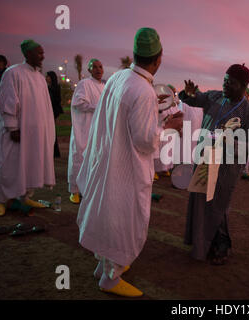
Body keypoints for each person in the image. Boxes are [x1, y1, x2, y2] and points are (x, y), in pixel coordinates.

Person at [76, 28, 183, 297]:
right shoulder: (143, 91)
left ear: (135, 54)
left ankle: (105, 266)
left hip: (109, 162)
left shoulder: (119, 78)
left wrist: (153, 109)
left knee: (108, 214)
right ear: (158, 59)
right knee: (124, 220)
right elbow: (146, 140)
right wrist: (169, 126)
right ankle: (110, 278)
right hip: (126, 170)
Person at [181, 63, 249, 265]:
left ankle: (222, 245)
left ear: (243, 86)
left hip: (226, 168)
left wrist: (226, 139)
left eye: (231, 83)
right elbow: (192, 99)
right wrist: (187, 93)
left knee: (218, 206)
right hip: (204, 159)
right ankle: (200, 243)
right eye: (225, 81)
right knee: (200, 202)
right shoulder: (215, 97)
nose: (225, 85)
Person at [0, 40, 55, 216]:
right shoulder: (13, 73)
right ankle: (0, 200)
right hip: (18, 132)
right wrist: (12, 128)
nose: (42, 56)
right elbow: (5, 102)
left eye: (43, 52)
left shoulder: (40, 78)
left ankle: (24, 196)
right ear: (28, 54)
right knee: (10, 164)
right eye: (39, 53)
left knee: (31, 164)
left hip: (35, 134)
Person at [67, 59, 105, 204]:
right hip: (83, 128)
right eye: (94, 67)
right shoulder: (84, 84)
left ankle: (88, 189)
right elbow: (79, 103)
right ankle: (74, 190)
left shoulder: (104, 87)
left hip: (98, 130)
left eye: (100, 67)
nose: (98, 69)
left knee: (94, 159)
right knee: (79, 157)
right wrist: (98, 106)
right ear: (89, 70)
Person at [46, 71, 63, 158]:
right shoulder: (45, 87)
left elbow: (57, 100)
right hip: (47, 111)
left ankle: (55, 151)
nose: (46, 78)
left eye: (48, 76)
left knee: (52, 131)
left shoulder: (55, 87)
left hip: (53, 111)